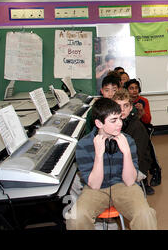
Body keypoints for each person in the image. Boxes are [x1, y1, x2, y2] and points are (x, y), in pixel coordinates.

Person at [66, 98, 157, 230]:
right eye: (113, 120)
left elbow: (130, 181)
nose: (120, 124)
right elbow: (95, 185)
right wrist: (98, 154)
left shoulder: (128, 140)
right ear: (99, 123)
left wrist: (126, 152)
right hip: (96, 189)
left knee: (145, 214)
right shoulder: (84, 145)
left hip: (124, 186)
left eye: (120, 118)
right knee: (76, 218)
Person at [113, 88, 155, 195]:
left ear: (131, 108)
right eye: (118, 106)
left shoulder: (137, 127)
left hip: (137, 166)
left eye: (125, 106)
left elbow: (136, 157)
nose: (122, 110)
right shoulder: (114, 123)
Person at [124, 78, 162, 187]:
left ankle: (155, 171)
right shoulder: (124, 101)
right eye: (131, 88)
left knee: (146, 145)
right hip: (130, 129)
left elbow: (147, 120)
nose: (134, 91)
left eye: (136, 88)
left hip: (143, 127)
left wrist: (141, 111)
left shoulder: (143, 101)